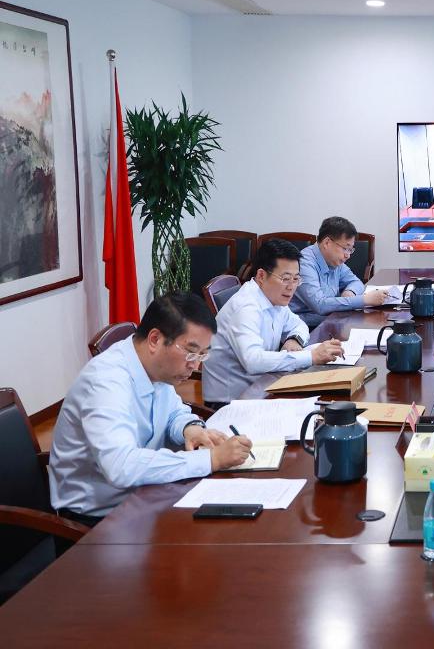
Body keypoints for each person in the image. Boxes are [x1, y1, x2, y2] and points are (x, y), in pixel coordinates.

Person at [49, 294, 253, 524]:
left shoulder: (155, 366)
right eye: (191, 352)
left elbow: (174, 412)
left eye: (202, 354)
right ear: (155, 339)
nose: (195, 365)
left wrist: (190, 428)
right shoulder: (106, 382)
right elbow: (121, 466)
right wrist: (211, 459)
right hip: (98, 519)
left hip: (147, 494)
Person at [203, 238, 344, 406]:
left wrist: (294, 340)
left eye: (296, 279)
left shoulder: (273, 297)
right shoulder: (245, 308)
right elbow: (253, 361)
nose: (291, 287)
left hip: (263, 386)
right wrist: (311, 356)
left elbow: (298, 324)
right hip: (232, 402)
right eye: (285, 278)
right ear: (261, 276)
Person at [290, 216, 396, 327]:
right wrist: (364, 300)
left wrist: (350, 292)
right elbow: (320, 305)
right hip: (307, 328)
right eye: (345, 248)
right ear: (327, 243)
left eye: (350, 250)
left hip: (333, 321)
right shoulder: (304, 264)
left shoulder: (334, 261)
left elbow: (356, 282)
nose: (348, 255)